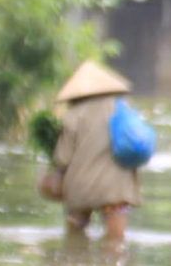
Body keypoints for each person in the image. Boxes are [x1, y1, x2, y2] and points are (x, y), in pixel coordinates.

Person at [50, 61, 141, 243]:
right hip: (116, 188)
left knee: (74, 240)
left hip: (80, 187)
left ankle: (77, 262)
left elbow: (63, 157)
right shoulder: (124, 109)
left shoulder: (72, 115)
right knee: (115, 243)